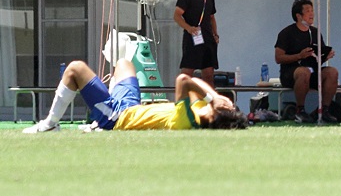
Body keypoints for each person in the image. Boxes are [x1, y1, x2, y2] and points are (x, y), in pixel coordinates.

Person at [22, 57, 247, 133]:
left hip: (117, 117)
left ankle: (50, 124)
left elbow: (184, 80)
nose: (227, 101)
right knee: (124, 63)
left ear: (217, 114)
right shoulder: (200, 109)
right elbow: (196, 82)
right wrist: (213, 96)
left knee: (75, 68)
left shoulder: (187, 120)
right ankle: (99, 110)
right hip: (130, 106)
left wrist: (212, 98)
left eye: (228, 106)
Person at [275, 0, 339, 124]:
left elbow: (317, 58)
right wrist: (299, 56)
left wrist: (325, 57)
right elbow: (278, 58)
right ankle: (300, 110)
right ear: (299, 16)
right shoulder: (287, 33)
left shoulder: (315, 32)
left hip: (312, 71)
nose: (312, 14)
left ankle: (324, 109)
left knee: (332, 72)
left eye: (312, 10)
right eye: (308, 11)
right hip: (291, 73)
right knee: (304, 72)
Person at [173, 0, 218, 88]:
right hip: (193, 38)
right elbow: (177, 15)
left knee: (209, 75)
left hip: (208, 40)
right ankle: (182, 98)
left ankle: (209, 99)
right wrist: (188, 28)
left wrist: (215, 34)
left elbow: (212, 17)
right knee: (186, 74)